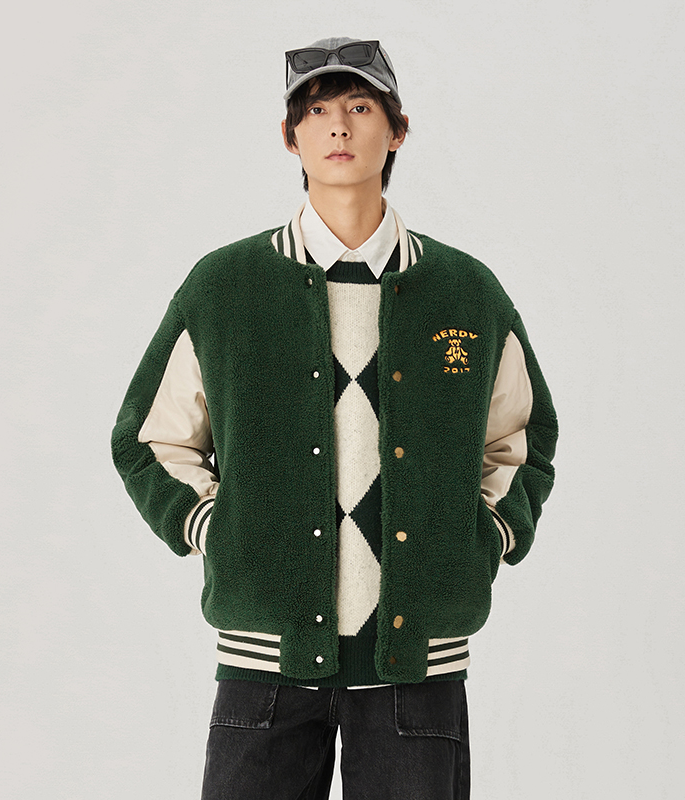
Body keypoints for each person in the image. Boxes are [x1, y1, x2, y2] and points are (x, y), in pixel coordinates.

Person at [111, 36, 558, 800]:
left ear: (399, 129)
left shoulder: (466, 292)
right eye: (316, 112)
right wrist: (218, 528)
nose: (339, 127)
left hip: (416, 666)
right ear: (291, 137)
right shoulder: (225, 287)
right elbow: (149, 439)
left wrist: (486, 535)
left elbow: (520, 439)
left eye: (359, 107)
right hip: (266, 663)